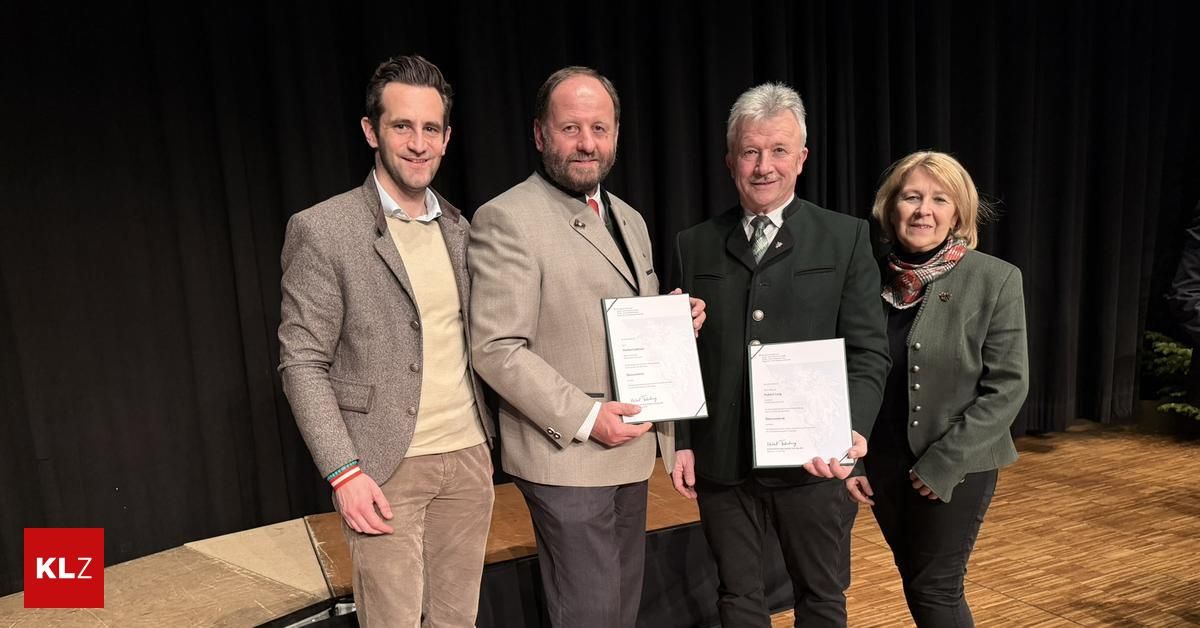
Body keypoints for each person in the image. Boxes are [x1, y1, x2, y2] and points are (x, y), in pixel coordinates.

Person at [468, 66, 705, 628]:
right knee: (591, 615)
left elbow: (625, 322)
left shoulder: (630, 219)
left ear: (616, 134)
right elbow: (497, 347)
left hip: (629, 451)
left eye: (599, 128)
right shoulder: (507, 219)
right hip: (568, 457)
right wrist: (586, 416)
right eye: (570, 127)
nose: (586, 143)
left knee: (618, 611)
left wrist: (674, 320)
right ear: (539, 134)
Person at [277, 55, 494, 628]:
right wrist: (344, 473)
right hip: (382, 469)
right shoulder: (323, 230)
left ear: (447, 138)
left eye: (430, 129)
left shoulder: (463, 230)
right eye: (402, 126)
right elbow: (302, 362)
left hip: (469, 460)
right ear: (372, 131)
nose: (418, 143)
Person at [670, 82, 891, 627]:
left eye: (778, 151)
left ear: (802, 158)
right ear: (730, 160)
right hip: (723, 457)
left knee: (820, 595)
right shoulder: (694, 243)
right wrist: (681, 440)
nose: (763, 165)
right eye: (750, 151)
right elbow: (682, 355)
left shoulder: (845, 238)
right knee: (738, 598)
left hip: (814, 459)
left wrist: (852, 431)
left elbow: (868, 351)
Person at [844, 151, 1029, 627]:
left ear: (957, 213)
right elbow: (848, 371)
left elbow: (1007, 386)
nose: (924, 210)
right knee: (916, 581)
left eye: (939, 199)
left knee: (935, 589)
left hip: (955, 465)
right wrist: (855, 461)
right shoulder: (865, 276)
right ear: (891, 208)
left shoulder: (995, 278)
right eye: (912, 197)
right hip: (882, 464)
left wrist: (942, 467)